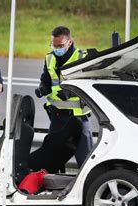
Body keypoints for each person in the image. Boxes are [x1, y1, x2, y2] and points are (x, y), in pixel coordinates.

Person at [35, 26, 93, 167]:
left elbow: (90, 84)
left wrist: (70, 92)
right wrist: (43, 88)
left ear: (70, 42)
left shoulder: (82, 58)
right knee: (51, 156)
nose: (56, 49)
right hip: (57, 117)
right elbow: (47, 80)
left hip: (78, 118)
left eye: (60, 46)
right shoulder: (49, 58)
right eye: (54, 45)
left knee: (85, 158)